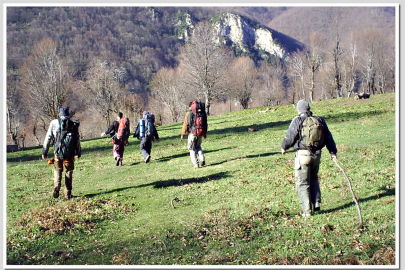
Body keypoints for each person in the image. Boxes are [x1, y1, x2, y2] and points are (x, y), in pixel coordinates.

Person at [281, 100, 337, 217]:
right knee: (314, 178)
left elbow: (290, 136)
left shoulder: (298, 120)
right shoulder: (319, 120)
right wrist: (333, 152)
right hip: (317, 155)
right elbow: (328, 137)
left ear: (299, 109)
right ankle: (316, 202)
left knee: (302, 183)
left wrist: (284, 147)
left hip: (303, 155)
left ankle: (306, 211)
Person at [42, 107, 81, 199]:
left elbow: (48, 137)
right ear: (68, 115)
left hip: (57, 152)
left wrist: (45, 151)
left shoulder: (54, 123)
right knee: (68, 171)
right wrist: (78, 152)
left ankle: (57, 185)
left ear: (60, 115)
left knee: (57, 169)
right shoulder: (73, 124)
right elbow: (77, 140)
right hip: (70, 153)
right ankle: (68, 193)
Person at [181, 102, 206, 169]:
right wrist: (204, 133)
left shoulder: (188, 113)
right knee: (198, 146)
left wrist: (182, 134)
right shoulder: (202, 112)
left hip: (192, 134)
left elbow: (185, 125)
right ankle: (202, 159)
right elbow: (205, 123)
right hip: (200, 132)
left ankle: (196, 164)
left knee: (191, 149)